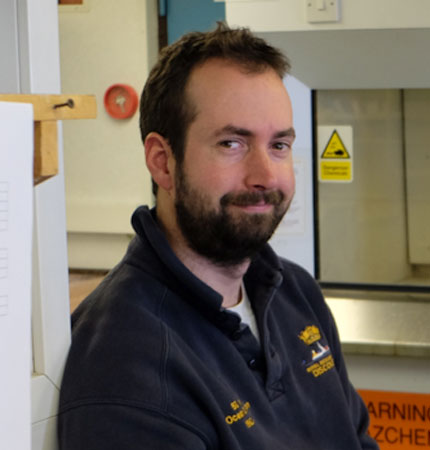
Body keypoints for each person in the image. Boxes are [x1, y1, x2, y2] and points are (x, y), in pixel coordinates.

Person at [58, 23, 378, 450]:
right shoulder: (127, 359)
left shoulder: (294, 292)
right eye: (232, 143)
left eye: (279, 145)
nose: (265, 175)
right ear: (162, 162)